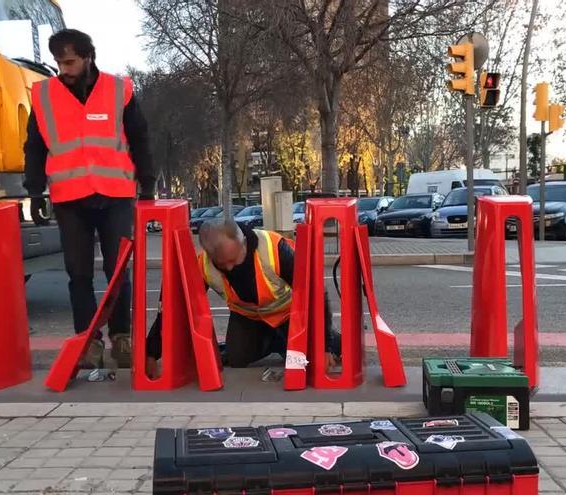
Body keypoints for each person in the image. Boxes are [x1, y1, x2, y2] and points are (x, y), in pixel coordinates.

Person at [24, 29, 155, 369]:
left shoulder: (118, 90)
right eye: (58, 63)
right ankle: (87, 340)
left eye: (69, 62)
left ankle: (122, 338)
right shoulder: (44, 95)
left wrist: (148, 184)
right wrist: (34, 190)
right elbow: (35, 146)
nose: (63, 69)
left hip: (115, 196)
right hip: (70, 198)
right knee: (78, 274)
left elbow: (140, 138)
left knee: (117, 272)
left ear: (87, 58)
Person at [144, 220, 341, 376]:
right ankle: (277, 341)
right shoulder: (202, 265)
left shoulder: (274, 248)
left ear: (243, 242)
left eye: (233, 259)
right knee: (236, 359)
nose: (229, 268)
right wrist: (151, 353)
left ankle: (316, 341)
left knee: (317, 355)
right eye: (222, 263)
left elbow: (316, 293)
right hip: (249, 318)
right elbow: (173, 307)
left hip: (290, 314)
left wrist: (325, 346)